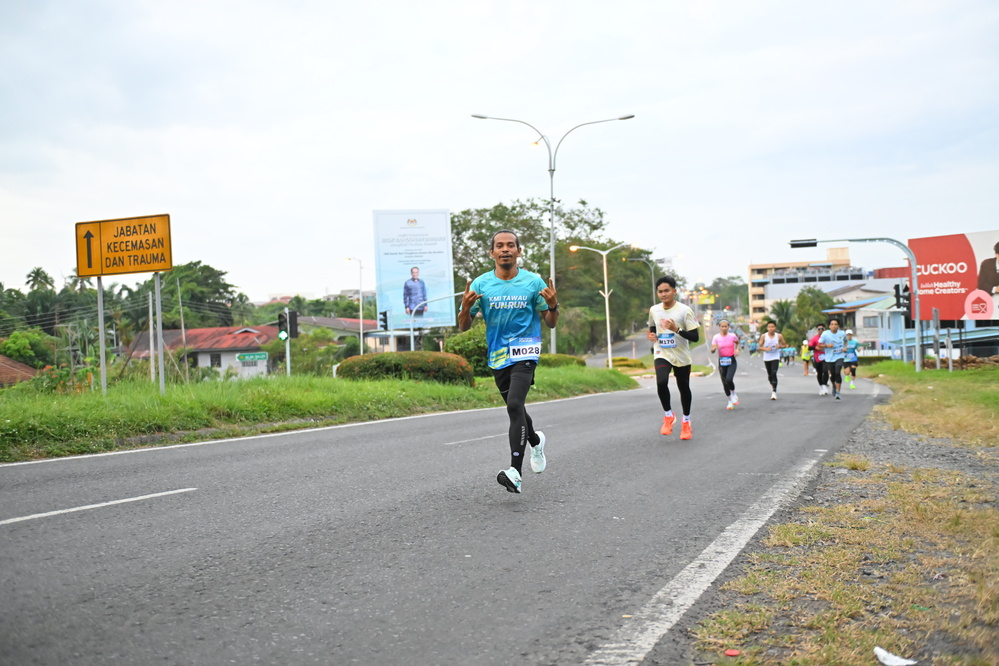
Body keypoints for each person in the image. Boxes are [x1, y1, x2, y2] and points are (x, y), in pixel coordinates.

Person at [458, 230, 558, 493]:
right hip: (499, 356)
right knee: (518, 409)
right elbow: (464, 326)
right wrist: (465, 308)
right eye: (500, 246)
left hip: (526, 352)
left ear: (518, 251)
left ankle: (515, 472)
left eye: (511, 245)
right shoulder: (481, 284)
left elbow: (550, 322)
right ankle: (535, 441)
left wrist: (553, 306)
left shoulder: (533, 282)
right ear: (492, 252)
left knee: (514, 404)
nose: (505, 249)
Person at [647, 276, 700, 440]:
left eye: (666, 291)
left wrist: (677, 329)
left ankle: (686, 422)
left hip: (681, 355)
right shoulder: (654, 310)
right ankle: (668, 415)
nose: (663, 294)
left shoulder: (684, 310)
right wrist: (652, 335)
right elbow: (652, 326)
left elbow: (695, 337)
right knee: (661, 382)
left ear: (674, 291)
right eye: (660, 291)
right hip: (662, 353)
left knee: (683, 388)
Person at [710, 318, 740, 410]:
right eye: (722, 326)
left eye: (725, 326)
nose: (724, 328)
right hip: (722, 361)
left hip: (731, 360)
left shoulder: (732, 336)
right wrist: (714, 349)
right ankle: (730, 400)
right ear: (719, 327)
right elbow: (712, 350)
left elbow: (738, 343)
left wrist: (737, 349)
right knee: (724, 382)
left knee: (729, 379)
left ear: (728, 327)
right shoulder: (716, 337)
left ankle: (733, 393)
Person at [819, 318, 848, 400]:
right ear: (829, 326)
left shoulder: (842, 333)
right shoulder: (825, 334)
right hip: (829, 357)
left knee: (838, 372)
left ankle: (838, 392)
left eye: (835, 324)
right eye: (832, 324)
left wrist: (845, 348)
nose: (834, 326)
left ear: (838, 326)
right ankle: (834, 385)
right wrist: (826, 345)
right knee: (833, 374)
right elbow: (819, 345)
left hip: (839, 355)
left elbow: (846, 341)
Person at [758, 321, 786, 400]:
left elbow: (785, 345)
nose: (771, 328)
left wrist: (779, 346)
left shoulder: (779, 336)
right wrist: (766, 349)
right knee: (770, 375)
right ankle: (772, 384)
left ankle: (774, 392)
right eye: (769, 327)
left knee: (774, 373)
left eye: (772, 327)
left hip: (775, 357)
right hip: (767, 357)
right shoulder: (764, 336)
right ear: (767, 328)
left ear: (775, 328)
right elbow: (759, 347)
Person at [809, 323, 828, 396]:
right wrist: (815, 348)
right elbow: (809, 347)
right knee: (819, 373)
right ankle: (821, 386)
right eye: (819, 329)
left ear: (824, 329)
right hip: (818, 358)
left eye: (822, 329)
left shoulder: (827, 337)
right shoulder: (814, 338)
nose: (821, 330)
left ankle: (824, 385)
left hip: (827, 357)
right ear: (817, 330)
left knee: (825, 371)